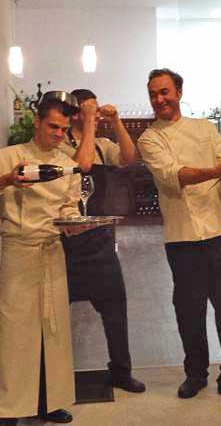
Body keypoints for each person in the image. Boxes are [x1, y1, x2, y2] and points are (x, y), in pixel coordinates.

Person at [0, 97, 88, 425]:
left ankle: (50, 401)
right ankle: (6, 410)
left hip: (52, 249)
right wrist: (7, 180)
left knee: (54, 329)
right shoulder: (8, 156)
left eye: (63, 129)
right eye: (52, 126)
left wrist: (73, 222)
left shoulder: (67, 164)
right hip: (19, 251)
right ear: (37, 122)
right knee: (15, 331)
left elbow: (69, 206)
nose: (58, 134)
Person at [137, 68, 221, 405]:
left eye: (164, 92)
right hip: (183, 235)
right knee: (189, 309)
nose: (159, 99)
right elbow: (172, 175)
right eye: (153, 94)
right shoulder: (149, 139)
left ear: (179, 92)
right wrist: (217, 171)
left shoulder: (204, 127)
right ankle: (195, 373)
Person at [56, 88, 145, 393]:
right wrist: (91, 121)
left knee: (115, 309)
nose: (91, 115)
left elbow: (130, 159)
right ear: (74, 114)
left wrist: (116, 121)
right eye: (86, 110)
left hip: (100, 239)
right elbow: (81, 164)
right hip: (66, 241)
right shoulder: (61, 145)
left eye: (93, 109)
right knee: (56, 313)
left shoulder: (102, 145)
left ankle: (121, 371)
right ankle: (53, 377)